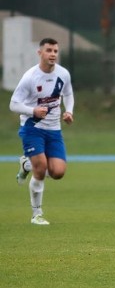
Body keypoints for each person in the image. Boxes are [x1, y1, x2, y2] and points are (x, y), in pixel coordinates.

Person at [10, 37, 75, 225]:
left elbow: (68, 94)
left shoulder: (63, 74)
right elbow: (13, 104)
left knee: (58, 172)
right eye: (49, 50)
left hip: (54, 130)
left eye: (55, 51)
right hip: (33, 128)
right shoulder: (30, 77)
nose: (53, 54)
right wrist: (33, 111)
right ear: (40, 53)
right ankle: (36, 214)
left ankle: (26, 165)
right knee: (41, 169)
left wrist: (69, 111)